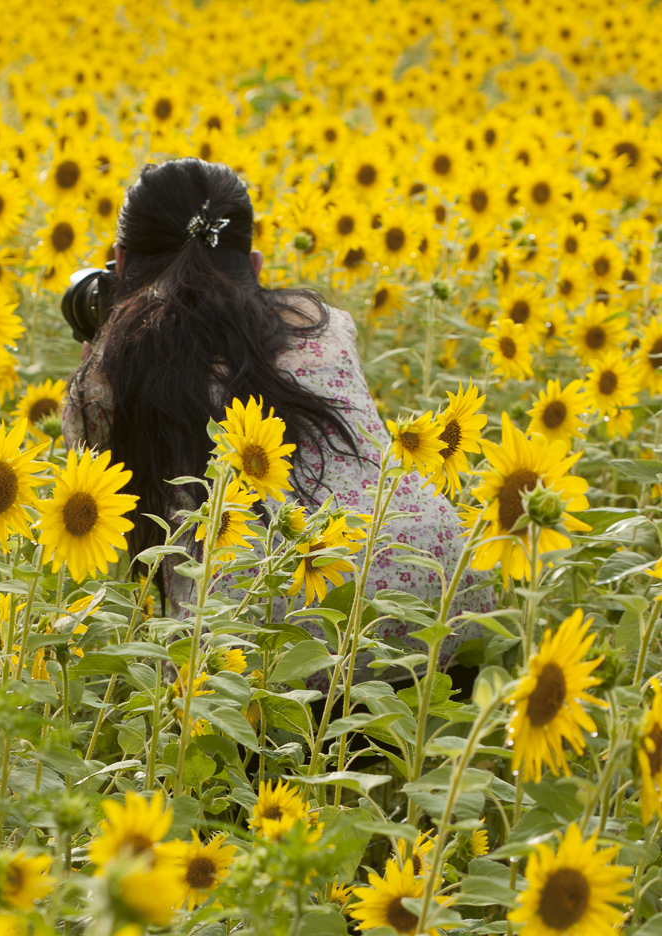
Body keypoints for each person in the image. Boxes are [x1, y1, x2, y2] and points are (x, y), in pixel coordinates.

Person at [61, 158, 493, 671]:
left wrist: (101, 354)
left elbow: (107, 507)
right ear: (257, 265)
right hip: (446, 584)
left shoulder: (110, 371)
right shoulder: (325, 323)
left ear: (120, 259)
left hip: (266, 622)